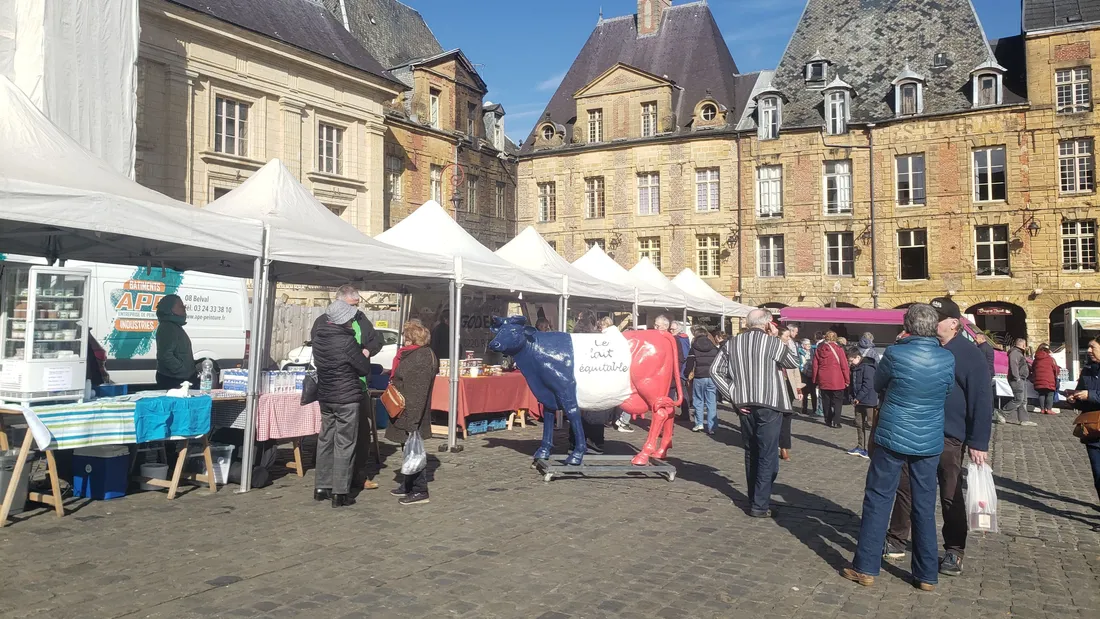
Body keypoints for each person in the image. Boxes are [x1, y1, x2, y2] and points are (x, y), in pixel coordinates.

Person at [841, 304, 955, 591]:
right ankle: (926, 574)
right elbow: (947, 390)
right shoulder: (946, 358)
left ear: (908, 326)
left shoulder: (895, 353)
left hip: (893, 433)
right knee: (924, 504)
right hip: (929, 437)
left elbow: (879, 383)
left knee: (879, 498)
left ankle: (865, 567)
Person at [884, 297, 994, 577]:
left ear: (954, 324)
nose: (933, 323)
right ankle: (896, 539)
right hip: (918, 431)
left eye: (938, 318)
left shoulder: (969, 355)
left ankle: (954, 549)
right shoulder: (927, 347)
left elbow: (981, 399)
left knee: (950, 494)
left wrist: (979, 441)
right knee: (905, 488)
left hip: (949, 437)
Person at [711, 308, 798, 517]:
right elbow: (794, 362)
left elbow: (715, 371)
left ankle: (755, 498)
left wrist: (733, 394)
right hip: (770, 403)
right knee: (768, 455)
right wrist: (779, 339)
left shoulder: (732, 343)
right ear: (768, 324)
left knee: (752, 452)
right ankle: (760, 504)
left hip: (744, 405)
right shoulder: (773, 343)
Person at [311, 300, 373, 507]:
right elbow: (363, 369)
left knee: (325, 440)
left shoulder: (319, 339)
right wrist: (364, 355)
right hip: (346, 398)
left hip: (326, 396)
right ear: (344, 320)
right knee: (345, 443)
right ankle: (340, 491)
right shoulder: (347, 342)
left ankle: (322, 486)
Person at [385, 319, 438, 505]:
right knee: (407, 449)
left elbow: (418, 393)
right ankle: (408, 485)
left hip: (411, 412)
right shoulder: (412, 355)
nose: (404, 340)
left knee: (415, 451)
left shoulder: (420, 358)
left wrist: (413, 422)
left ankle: (419, 490)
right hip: (405, 410)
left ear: (413, 339)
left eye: (406, 337)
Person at [1066, 336, 1100, 504]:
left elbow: (1090, 395)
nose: (1088, 351)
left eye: (1092, 347)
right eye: (1088, 347)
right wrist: (1075, 398)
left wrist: (1091, 395)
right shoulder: (1087, 369)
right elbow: (1081, 392)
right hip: (1093, 429)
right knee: (1098, 475)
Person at [155, 294, 197, 390]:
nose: (184, 308)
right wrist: (181, 370)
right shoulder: (168, 327)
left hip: (177, 378)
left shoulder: (174, 326)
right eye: (180, 306)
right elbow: (165, 355)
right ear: (171, 309)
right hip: (174, 380)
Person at [813, 331, 850, 428]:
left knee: (826, 400)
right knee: (837, 401)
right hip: (837, 379)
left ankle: (828, 419)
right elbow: (844, 365)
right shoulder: (838, 349)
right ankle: (836, 421)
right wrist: (847, 380)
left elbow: (815, 366)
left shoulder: (819, 349)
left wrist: (815, 379)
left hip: (823, 378)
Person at [846, 346, 878, 459]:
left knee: (870, 425)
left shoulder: (868, 367)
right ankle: (861, 447)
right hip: (858, 401)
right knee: (859, 424)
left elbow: (868, 384)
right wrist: (851, 396)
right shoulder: (854, 368)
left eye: (851, 360)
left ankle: (872, 449)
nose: (850, 363)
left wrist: (858, 397)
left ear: (858, 357)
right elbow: (852, 384)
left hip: (869, 401)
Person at [688, 326, 719, 434]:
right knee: (711, 403)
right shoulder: (714, 348)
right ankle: (712, 427)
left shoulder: (694, 348)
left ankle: (699, 423)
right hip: (711, 378)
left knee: (698, 401)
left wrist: (686, 374)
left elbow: (690, 363)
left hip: (699, 377)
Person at [777, 327, 801, 460]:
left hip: (788, 385)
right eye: (786, 336)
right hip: (776, 386)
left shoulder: (790, 349)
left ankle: (784, 446)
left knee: (787, 416)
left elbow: (795, 368)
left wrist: (798, 387)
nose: (789, 339)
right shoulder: (773, 349)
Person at [1007, 338, 1036, 426]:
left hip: (1022, 379)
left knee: (1023, 400)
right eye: (1025, 344)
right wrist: (1017, 378)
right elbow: (1013, 365)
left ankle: (1024, 420)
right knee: (1018, 399)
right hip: (1017, 379)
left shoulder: (1020, 353)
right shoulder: (1015, 353)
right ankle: (1002, 412)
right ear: (1023, 345)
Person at [671, 321, 692, 419]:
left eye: (673, 329)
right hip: (682, 370)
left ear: (678, 330)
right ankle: (685, 413)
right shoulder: (685, 338)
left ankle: (685, 414)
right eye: (670, 329)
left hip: (680, 370)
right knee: (682, 392)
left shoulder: (680, 339)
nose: (671, 331)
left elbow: (683, 356)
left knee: (682, 392)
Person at [1032, 343, 1061, 415]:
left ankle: (1042, 409)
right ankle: (1049, 409)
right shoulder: (1050, 359)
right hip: (1049, 380)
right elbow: (1055, 369)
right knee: (1050, 394)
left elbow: (1032, 368)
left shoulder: (1036, 359)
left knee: (1041, 394)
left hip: (1038, 380)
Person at [798, 338, 818, 417]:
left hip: (812, 374)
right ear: (803, 345)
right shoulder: (800, 352)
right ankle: (804, 409)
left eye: (809, 344)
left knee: (813, 393)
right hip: (804, 374)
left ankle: (814, 409)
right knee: (805, 393)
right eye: (806, 344)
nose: (808, 346)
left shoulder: (813, 350)